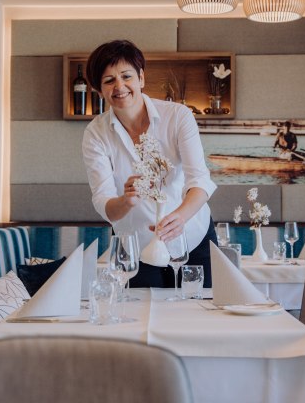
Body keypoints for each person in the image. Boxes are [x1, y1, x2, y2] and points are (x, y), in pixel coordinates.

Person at [81, 40, 218, 288]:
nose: (119, 86)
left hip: (193, 237)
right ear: (99, 90)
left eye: (126, 76)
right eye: (109, 80)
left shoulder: (178, 116)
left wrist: (180, 217)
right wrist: (126, 200)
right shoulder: (96, 133)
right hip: (136, 247)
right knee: (140, 320)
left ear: (141, 78)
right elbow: (103, 202)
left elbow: (199, 180)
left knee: (201, 317)